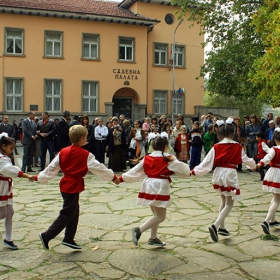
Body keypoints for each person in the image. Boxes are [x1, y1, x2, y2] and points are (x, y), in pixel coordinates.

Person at [35, 125, 119, 250]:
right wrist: (113, 177)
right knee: (67, 213)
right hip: (72, 185)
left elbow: (52, 168)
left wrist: (40, 177)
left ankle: (68, 238)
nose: (87, 139)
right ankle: (47, 235)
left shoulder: (63, 151)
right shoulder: (85, 155)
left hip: (66, 184)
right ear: (81, 138)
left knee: (73, 211)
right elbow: (100, 168)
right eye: (85, 137)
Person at [117, 132, 190, 246]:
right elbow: (185, 171)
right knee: (160, 216)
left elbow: (135, 171)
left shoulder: (148, 157)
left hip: (148, 184)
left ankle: (153, 238)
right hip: (160, 186)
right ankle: (139, 230)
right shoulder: (168, 158)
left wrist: (121, 178)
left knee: (156, 215)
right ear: (166, 146)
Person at [190, 118, 256, 242]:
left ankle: (222, 227)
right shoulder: (237, 146)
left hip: (219, 173)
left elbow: (206, 163)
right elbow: (247, 159)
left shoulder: (216, 147)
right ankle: (215, 226)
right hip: (229, 174)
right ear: (233, 133)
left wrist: (194, 171)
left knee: (223, 200)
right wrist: (253, 166)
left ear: (219, 134)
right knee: (230, 203)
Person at [0, 133, 33, 250]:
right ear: (3, 146)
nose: (12, 150)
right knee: (2, 213)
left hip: (5, 187)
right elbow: (9, 170)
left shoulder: (5, 157)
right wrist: (27, 176)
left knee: (10, 212)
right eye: (11, 148)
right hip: (1, 187)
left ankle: (8, 238)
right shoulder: (1, 159)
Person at [257, 128, 280, 234]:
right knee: (276, 200)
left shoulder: (274, 149)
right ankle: (266, 221)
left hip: (272, 173)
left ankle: (272, 220)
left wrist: (259, 164)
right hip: (278, 174)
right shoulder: (274, 149)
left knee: (275, 197)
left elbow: (267, 158)